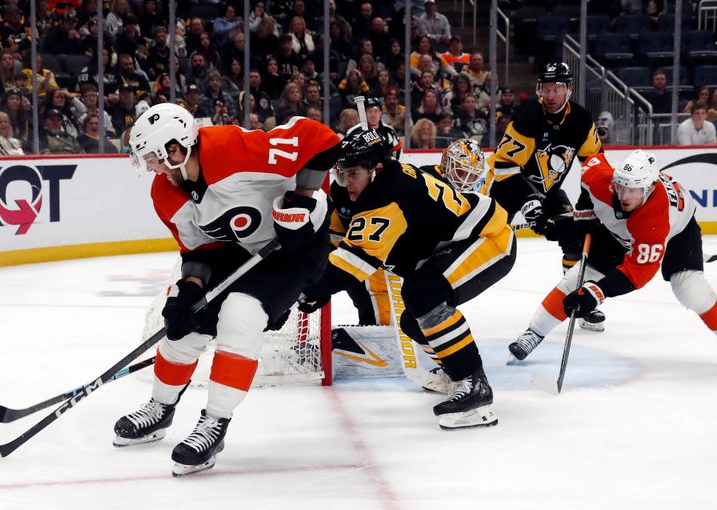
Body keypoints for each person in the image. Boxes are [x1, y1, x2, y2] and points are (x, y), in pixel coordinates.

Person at [115, 103, 341, 476]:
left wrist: (302, 199)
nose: (151, 168)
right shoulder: (165, 194)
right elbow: (200, 250)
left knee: (241, 313)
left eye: (153, 158)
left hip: (296, 249)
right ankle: (160, 407)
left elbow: (320, 139)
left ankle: (214, 423)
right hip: (241, 250)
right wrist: (191, 289)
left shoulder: (231, 149)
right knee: (183, 321)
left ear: (175, 149)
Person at [299, 129, 515, 429]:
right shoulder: (390, 176)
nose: (346, 182)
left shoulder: (387, 200)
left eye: (353, 174)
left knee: (423, 293)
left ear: (375, 170)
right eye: (343, 174)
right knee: (413, 320)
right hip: (460, 241)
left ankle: (472, 383)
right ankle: (454, 371)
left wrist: (303, 289)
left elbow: (348, 268)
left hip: (490, 239)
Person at [510, 150, 717, 360]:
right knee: (579, 278)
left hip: (678, 232)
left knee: (690, 290)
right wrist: (583, 218)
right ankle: (534, 332)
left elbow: (637, 273)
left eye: (633, 189)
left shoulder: (654, 221)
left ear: (650, 188)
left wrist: (597, 292)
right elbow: (589, 176)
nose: (624, 196)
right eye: (621, 186)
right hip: (626, 232)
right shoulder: (601, 178)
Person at [484, 61, 605, 332]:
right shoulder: (528, 117)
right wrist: (530, 203)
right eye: (546, 88)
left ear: (569, 90)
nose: (550, 95)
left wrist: (594, 199)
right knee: (479, 242)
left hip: (547, 192)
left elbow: (595, 162)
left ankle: (579, 302)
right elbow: (504, 167)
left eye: (557, 88)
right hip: (509, 188)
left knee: (575, 237)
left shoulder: (582, 121)